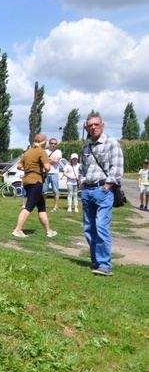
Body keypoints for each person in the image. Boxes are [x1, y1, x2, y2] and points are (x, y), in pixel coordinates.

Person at [79, 114, 124, 276]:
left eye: (96, 124)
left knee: (101, 226)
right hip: (88, 191)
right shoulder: (86, 147)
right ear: (86, 128)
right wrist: (82, 185)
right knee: (89, 228)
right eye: (90, 125)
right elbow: (82, 169)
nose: (93, 127)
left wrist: (107, 186)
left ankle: (105, 264)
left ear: (102, 125)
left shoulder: (112, 143)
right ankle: (96, 261)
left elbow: (117, 169)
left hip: (103, 191)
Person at [12, 134, 57, 238]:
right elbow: (48, 167)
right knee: (29, 206)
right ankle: (18, 229)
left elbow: (19, 166)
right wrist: (45, 173)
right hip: (36, 181)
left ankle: (49, 230)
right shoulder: (42, 152)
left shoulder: (28, 152)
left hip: (27, 180)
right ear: (44, 142)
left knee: (41, 206)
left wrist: (27, 169)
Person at [43, 137, 62, 211]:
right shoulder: (45, 151)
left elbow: (56, 161)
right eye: (51, 143)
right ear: (49, 144)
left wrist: (48, 160)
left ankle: (56, 206)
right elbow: (42, 161)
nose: (53, 145)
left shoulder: (58, 151)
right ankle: (43, 205)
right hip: (46, 173)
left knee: (55, 190)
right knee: (44, 190)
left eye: (55, 144)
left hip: (54, 173)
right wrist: (51, 159)